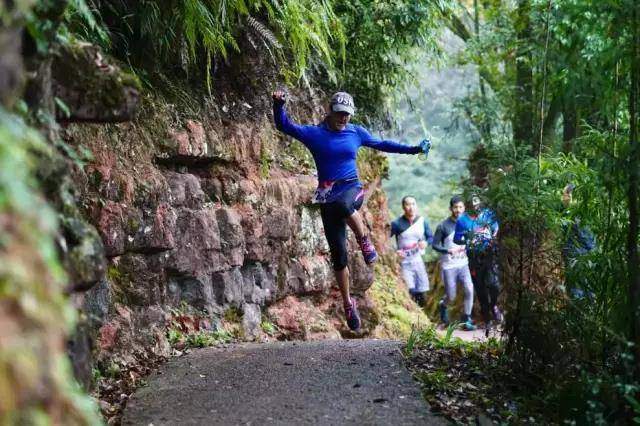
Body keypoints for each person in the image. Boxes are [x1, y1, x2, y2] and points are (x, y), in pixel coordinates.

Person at [272, 90, 426, 331]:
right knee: (339, 256)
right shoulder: (315, 134)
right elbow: (285, 126)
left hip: (352, 190)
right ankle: (348, 304)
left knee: (345, 204)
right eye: (341, 114)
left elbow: (383, 144)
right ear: (330, 111)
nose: (345, 118)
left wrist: (414, 149)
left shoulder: (356, 132)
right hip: (327, 198)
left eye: (348, 114)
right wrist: (278, 104)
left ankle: (364, 240)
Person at [454, 195, 502, 328]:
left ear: (480, 202)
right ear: (467, 205)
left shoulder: (488, 214)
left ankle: (493, 306)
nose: (474, 206)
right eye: (471, 203)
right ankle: (487, 319)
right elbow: (456, 239)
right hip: (473, 257)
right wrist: (467, 239)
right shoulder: (462, 220)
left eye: (476, 202)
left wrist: (492, 236)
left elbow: (496, 228)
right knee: (480, 289)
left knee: (494, 286)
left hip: (489, 254)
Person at [432, 195, 476, 331]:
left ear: (464, 208)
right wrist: (447, 250)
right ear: (451, 208)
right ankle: (443, 305)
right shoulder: (443, 226)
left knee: (469, 289)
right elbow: (434, 245)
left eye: (460, 207)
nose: (458, 210)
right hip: (449, 266)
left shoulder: (468, 223)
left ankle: (466, 318)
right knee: (451, 296)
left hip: (463, 264)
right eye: (455, 207)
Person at [390, 196, 433, 306]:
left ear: (416, 205)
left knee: (422, 290)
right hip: (404, 262)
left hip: (418, 259)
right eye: (408, 204)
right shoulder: (397, 223)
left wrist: (426, 243)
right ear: (403, 207)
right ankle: (414, 314)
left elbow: (431, 237)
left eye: (413, 204)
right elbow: (384, 240)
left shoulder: (422, 221)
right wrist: (395, 251)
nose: (411, 207)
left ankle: (422, 318)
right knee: (411, 290)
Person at [561, 183, 596, 299]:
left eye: (566, 194)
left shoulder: (578, 216)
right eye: (564, 195)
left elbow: (589, 241)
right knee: (577, 288)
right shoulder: (568, 214)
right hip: (574, 258)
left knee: (583, 289)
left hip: (582, 259)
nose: (564, 198)